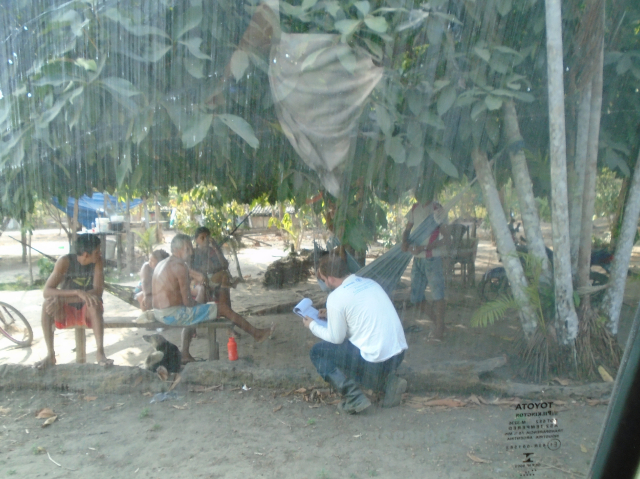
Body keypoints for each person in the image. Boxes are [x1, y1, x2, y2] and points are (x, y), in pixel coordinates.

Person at [303, 254, 408, 414]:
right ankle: (389, 382)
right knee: (353, 351)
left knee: (317, 352)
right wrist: (331, 315)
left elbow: (336, 338)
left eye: (323, 279)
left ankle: (354, 397)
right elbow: (360, 315)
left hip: (375, 360)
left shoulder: (336, 297)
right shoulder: (370, 283)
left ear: (330, 278)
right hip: (397, 356)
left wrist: (312, 325)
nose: (324, 283)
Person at [152, 234, 274, 363]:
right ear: (176, 250)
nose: (191, 252)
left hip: (159, 313)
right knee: (222, 308)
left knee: (199, 308)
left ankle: (185, 354)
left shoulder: (163, 263)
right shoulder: (180, 266)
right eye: (188, 248)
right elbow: (188, 303)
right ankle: (257, 334)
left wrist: (201, 302)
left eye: (191, 248)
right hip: (172, 314)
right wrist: (202, 299)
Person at [35, 234, 113, 369]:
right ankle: (50, 354)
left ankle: (100, 353)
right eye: (97, 251)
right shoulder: (65, 262)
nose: (100, 254)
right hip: (65, 310)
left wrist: (68, 298)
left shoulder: (97, 262)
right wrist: (77, 292)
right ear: (85, 254)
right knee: (47, 304)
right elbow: (46, 291)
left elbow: (97, 291)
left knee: (94, 303)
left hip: (87, 310)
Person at [401, 199, 450, 340]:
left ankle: (439, 330)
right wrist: (404, 241)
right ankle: (439, 324)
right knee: (416, 298)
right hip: (418, 259)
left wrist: (426, 247)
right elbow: (407, 230)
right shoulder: (415, 208)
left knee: (438, 295)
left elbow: (447, 238)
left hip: (432, 258)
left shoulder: (437, 209)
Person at [191, 226, 240, 304]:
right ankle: (231, 285)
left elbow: (225, 265)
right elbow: (191, 270)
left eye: (207, 237)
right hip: (200, 281)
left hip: (212, 278)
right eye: (202, 238)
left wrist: (216, 248)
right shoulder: (193, 253)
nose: (205, 240)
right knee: (224, 276)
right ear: (196, 240)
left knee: (224, 274)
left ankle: (224, 304)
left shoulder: (212, 251)